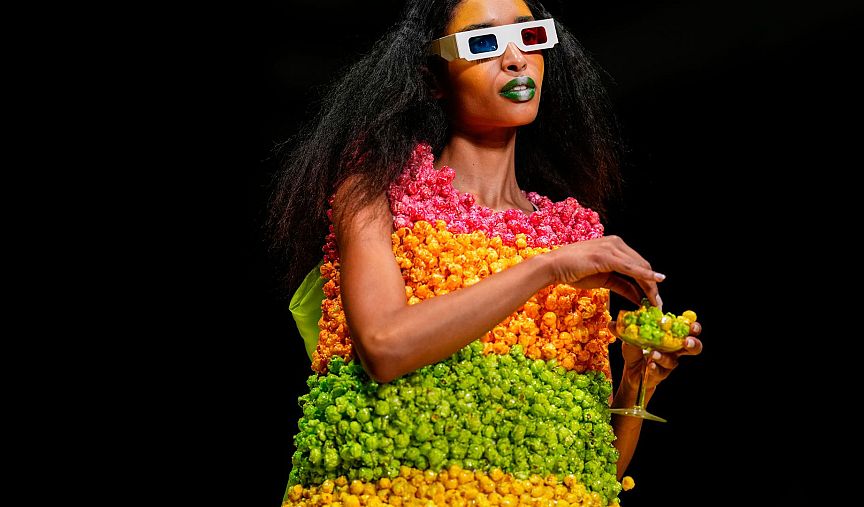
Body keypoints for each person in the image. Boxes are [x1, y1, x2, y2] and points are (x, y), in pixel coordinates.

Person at [266, 0, 703, 505]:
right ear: (432, 79)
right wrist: (547, 267)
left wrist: (635, 383)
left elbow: (589, 470)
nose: (517, 59)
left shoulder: (575, 235)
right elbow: (384, 349)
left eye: (530, 37)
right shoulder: (374, 195)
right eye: (482, 43)